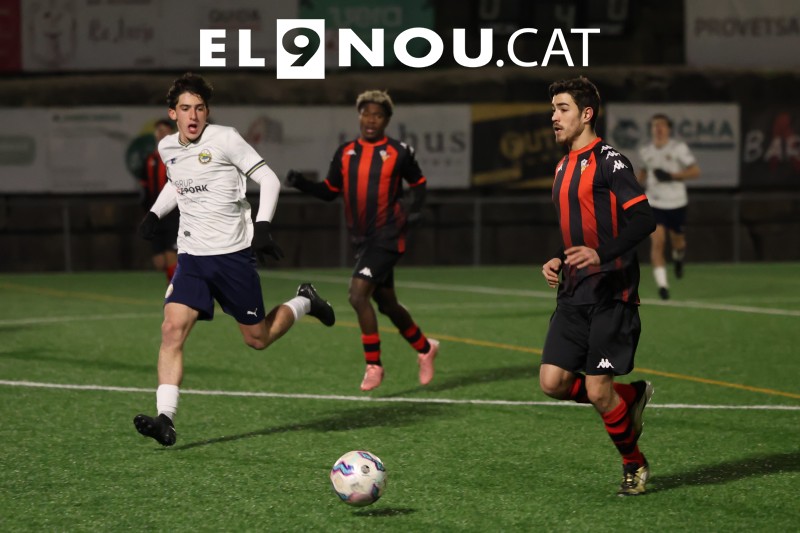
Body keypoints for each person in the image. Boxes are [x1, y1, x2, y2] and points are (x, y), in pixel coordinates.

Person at [133, 73, 336, 447]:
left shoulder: (225, 138)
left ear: (207, 111)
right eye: (185, 108)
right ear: (172, 113)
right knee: (171, 329)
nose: (193, 116)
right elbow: (177, 182)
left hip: (232, 256)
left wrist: (263, 227)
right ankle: (165, 419)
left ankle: (305, 300)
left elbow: (269, 180)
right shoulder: (166, 147)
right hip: (192, 256)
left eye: (199, 108)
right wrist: (155, 213)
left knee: (257, 339)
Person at [540, 76, 657, 496]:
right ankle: (629, 396)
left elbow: (643, 219)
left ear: (587, 113)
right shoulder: (562, 166)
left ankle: (634, 464)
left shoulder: (611, 161)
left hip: (612, 291)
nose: (554, 117)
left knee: (596, 388)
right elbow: (580, 226)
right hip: (574, 291)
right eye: (553, 109)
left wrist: (601, 255)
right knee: (552, 382)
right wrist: (559, 255)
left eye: (563, 109)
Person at [286, 90, 438, 392]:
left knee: (357, 296)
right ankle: (425, 348)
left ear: (387, 120)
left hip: (388, 235)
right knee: (387, 303)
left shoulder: (399, 151)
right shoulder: (346, 152)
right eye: (366, 114)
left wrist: (415, 211)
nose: (371, 120)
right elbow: (330, 190)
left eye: (378, 115)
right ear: (359, 116)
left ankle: (374, 365)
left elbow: (419, 184)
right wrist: (302, 184)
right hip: (362, 239)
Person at [636, 114, 701, 300]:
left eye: (662, 125)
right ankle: (663, 286)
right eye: (655, 125)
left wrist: (672, 176)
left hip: (676, 203)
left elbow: (695, 171)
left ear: (669, 129)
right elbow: (642, 175)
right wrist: (629, 188)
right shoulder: (646, 151)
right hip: (654, 203)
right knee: (658, 243)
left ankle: (678, 258)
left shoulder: (678, 148)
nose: (659, 129)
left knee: (678, 243)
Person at [138, 118, 179, 283]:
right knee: (159, 262)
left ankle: (177, 290)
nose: (161, 133)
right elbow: (144, 190)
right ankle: (176, 283)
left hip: (174, 214)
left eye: (164, 130)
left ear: (171, 133)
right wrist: (146, 212)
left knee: (171, 256)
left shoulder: (177, 156)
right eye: (158, 131)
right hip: (155, 215)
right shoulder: (149, 159)